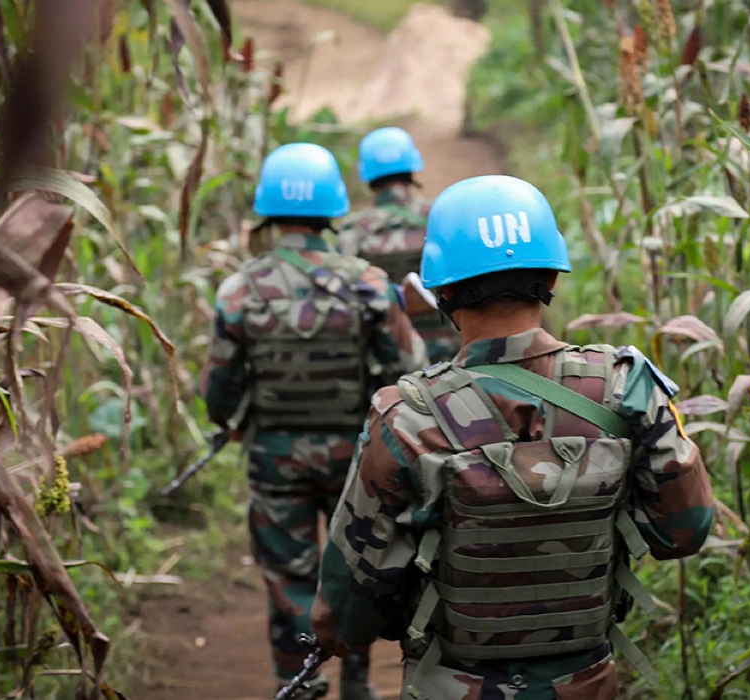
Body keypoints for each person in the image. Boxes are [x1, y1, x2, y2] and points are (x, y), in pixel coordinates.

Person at [310, 175, 715, 700]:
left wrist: (343, 632)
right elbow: (684, 533)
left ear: (441, 289)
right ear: (550, 274)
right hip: (586, 683)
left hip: (453, 684)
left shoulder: (406, 416)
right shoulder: (625, 387)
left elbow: (348, 605)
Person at [199, 142, 428, 700]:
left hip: (275, 457)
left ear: (268, 211)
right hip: (357, 455)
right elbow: (408, 367)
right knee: (359, 569)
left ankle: (297, 684)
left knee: (288, 578)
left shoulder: (239, 289)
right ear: (332, 206)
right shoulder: (368, 283)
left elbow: (219, 392)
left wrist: (231, 420)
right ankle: (357, 681)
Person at [337, 126, 462, 365]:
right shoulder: (440, 215)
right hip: (450, 349)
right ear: (412, 167)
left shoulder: (354, 228)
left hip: (390, 354)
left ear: (368, 176)